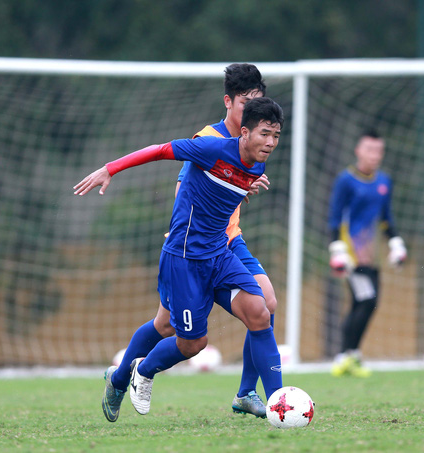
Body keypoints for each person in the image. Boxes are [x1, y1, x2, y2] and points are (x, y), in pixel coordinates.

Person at [74, 97, 284, 419]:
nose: (270, 142)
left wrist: (246, 185)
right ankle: (140, 371)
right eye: (264, 134)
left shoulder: (257, 165)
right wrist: (110, 169)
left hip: (219, 254)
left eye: (276, 136)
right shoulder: (210, 147)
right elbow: (160, 150)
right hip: (184, 259)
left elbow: (225, 189)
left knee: (260, 312)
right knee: (191, 343)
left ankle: (278, 404)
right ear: (244, 132)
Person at [327, 128, 407, 378]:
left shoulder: (384, 181)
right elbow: (334, 217)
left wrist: (395, 242)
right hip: (351, 254)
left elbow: (386, 218)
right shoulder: (346, 180)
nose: (375, 155)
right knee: (367, 300)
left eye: (379, 150)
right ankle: (344, 356)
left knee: (365, 304)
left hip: (372, 255)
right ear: (358, 150)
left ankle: (352, 356)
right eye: (370, 149)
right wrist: (337, 250)